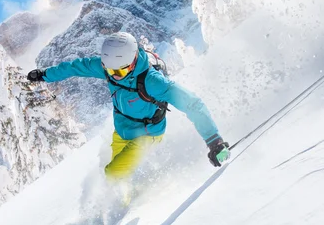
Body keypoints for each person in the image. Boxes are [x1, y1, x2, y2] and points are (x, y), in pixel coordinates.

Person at [27, 32, 229, 180]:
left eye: (120, 72)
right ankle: (123, 202)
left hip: (147, 135)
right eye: (110, 70)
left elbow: (193, 104)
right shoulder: (110, 68)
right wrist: (45, 74)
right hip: (122, 131)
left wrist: (214, 141)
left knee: (113, 172)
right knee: (115, 176)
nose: (114, 76)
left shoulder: (152, 81)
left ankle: (127, 206)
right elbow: (75, 67)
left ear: (132, 62)